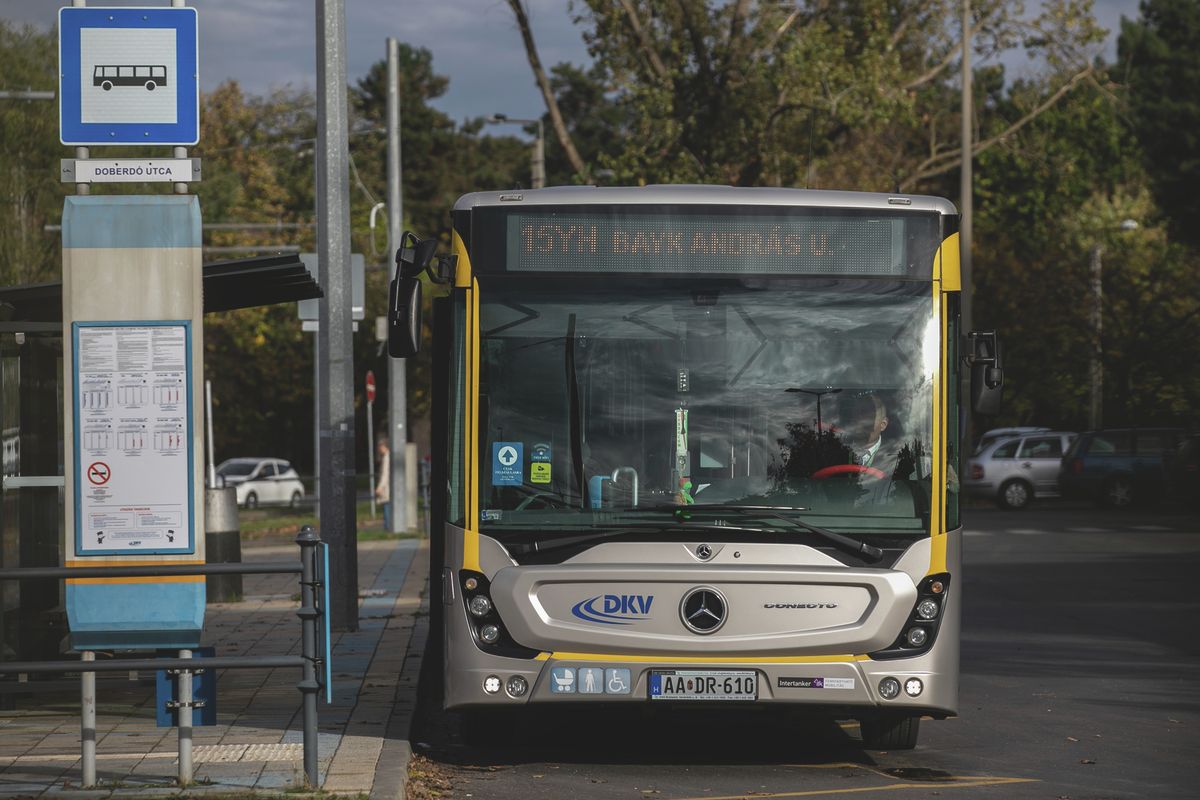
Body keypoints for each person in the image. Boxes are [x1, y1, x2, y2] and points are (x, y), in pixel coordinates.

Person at [374, 437, 391, 530]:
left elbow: (385, 474)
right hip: (387, 486)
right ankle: (387, 526)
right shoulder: (387, 456)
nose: (378, 450)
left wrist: (380, 487)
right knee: (387, 505)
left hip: (386, 487)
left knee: (386, 506)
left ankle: (387, 527)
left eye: (379, 447)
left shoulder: (386, 457)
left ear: (383, 447)